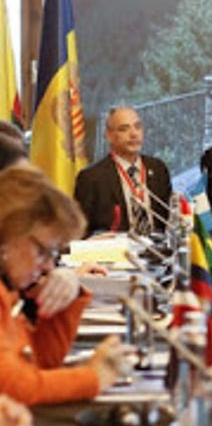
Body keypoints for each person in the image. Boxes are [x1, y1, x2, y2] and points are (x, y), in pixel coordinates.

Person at [0, 168, 130, 406]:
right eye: (43, 251)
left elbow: (41, 362)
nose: (49, 266)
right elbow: (14, 387)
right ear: (8, 236)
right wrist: (93, 378)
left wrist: (65, 296)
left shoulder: (9, 289)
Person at [74, 106, 172, 235]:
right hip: (115, 252)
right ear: (109, 136)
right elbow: (79, 232)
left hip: (158, 250)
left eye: (137, 127)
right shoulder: (91, 178)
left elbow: (168, 217)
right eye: (124, 129)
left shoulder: (158, 168)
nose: (133, 134)